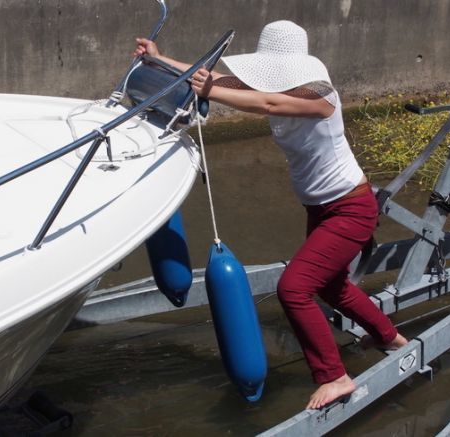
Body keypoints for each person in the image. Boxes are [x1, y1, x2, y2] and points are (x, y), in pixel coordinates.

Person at [134, 20, 408, 410]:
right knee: (331, 286)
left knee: (294, 288)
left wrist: (211, 89)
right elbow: (218, 79)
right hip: (322, 207)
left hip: (351, 207)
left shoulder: (321, 95)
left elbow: (267, 104)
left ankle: (335, 376)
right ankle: (389, 336)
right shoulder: (278, 86)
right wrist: (161, 62)